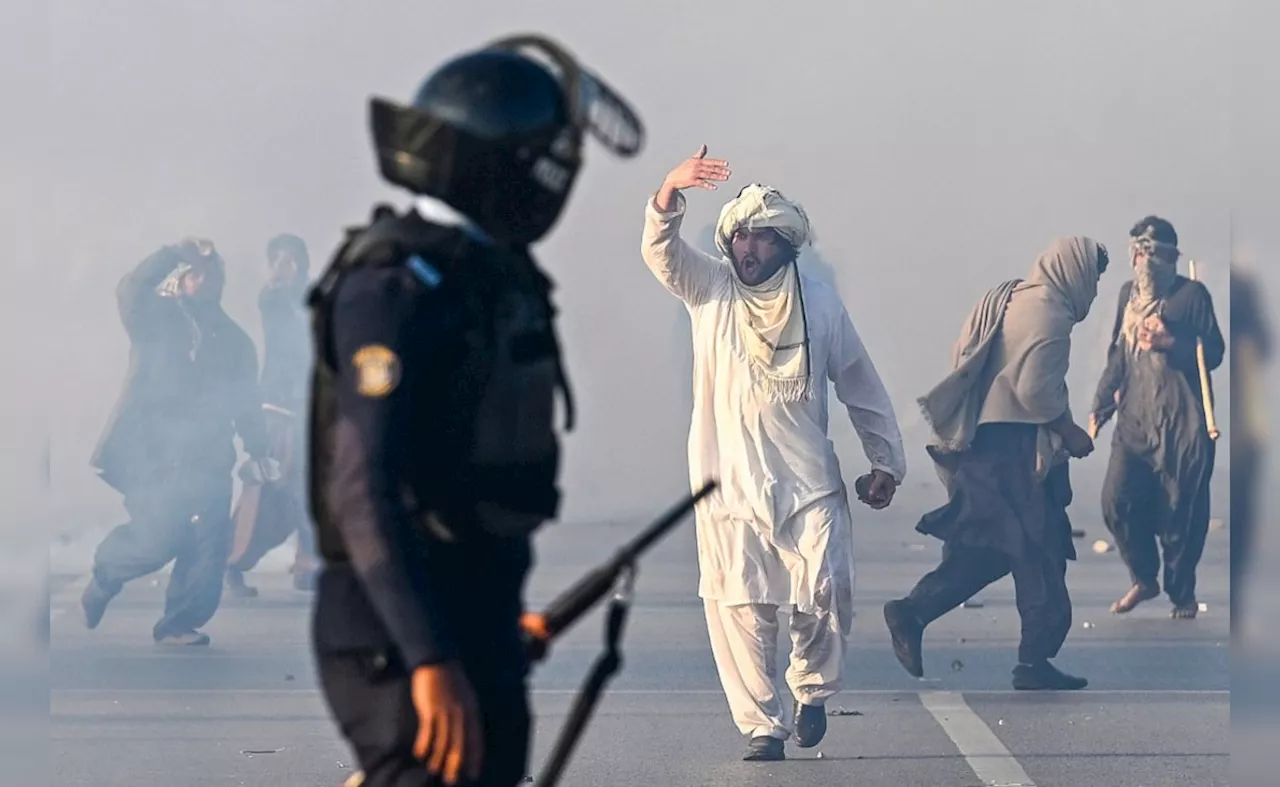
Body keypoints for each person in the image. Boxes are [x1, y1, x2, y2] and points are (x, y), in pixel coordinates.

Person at [306, 35, 643, 787]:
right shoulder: (396, 287)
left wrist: (490, 631)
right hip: (396, 634)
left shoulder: (484, 277)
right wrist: (429, 654)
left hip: (471, 615)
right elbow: (364, 490)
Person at [640, 147, 907, 761]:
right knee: (741, 605)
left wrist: (885, 462)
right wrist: (668, 191)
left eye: (762, 240)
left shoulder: (820, 305)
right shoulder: (709, 289)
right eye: (740, 238)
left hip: (808, 479)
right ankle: (764, 726)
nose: (747, 250)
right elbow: (661, 253)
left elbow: (860, 384)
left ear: (787, 246)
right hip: (727, 483)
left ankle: (811, 688)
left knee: (826, 588)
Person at [884, 237, 1109, 691]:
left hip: (983, 447)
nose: (1095, 289)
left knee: (992, 550)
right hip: (1014, 454)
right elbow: (1035, 393)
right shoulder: (1052, 316)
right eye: (1096, 278)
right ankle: (1029, 658)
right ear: (1077, 271)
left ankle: (921, 614)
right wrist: (1068, 431)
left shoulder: (1010, 296)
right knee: (1037, 551)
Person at [81, 237, 275, 646]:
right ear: (182, 277)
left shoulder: (235, 341)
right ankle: (106, 575)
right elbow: (130, 289)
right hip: (153, 457)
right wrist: (173, 251)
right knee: (158, 539)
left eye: (209, 275)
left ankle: (179, 622)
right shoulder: (155, 317)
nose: (201, 282)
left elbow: (247, 400)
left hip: (209, 457)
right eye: (194, 274)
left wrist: (260, 448)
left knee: (208, 548)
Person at [1089, 217, 1225, 619]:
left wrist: (1171, 342)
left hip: (1184, 425)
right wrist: (1099, 406)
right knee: (1117, 501)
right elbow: (1118, 357)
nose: (1146, 261)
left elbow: (1213, 352)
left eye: (1155, 253)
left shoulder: (1192, 295)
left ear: (1170, 258)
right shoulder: (1126, 297)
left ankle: (1182, 593)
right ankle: (1143, 578)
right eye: (1140, 251)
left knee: (1181, 513)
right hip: (1134, 422)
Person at [226, 233, 320, 596]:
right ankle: (230, 561)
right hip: (279, 409)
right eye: (279, 260)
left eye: (293, 258)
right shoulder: (274, 297)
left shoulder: (313, 295)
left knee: (306, 489)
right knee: (267, 488)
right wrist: (281, 278)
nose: (287, 266)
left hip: (308, 407)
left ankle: (308, 565)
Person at [1229, 261, 1269, 633]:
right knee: (1241, 517)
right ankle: (1236, 601)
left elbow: (1264, 350)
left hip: (1243, 432)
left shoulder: (1246, 338)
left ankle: (1237, 600)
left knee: (1241, 517)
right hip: (1240, 432)